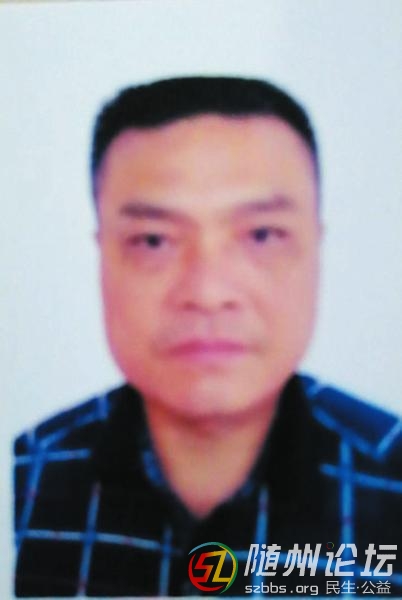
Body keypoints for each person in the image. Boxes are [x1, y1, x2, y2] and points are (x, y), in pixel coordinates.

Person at [14, 76, 402, 597]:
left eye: (262, 234)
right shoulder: (22, 482)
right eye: (154, 241)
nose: (208, 292)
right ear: (102, 254)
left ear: (317, 249)